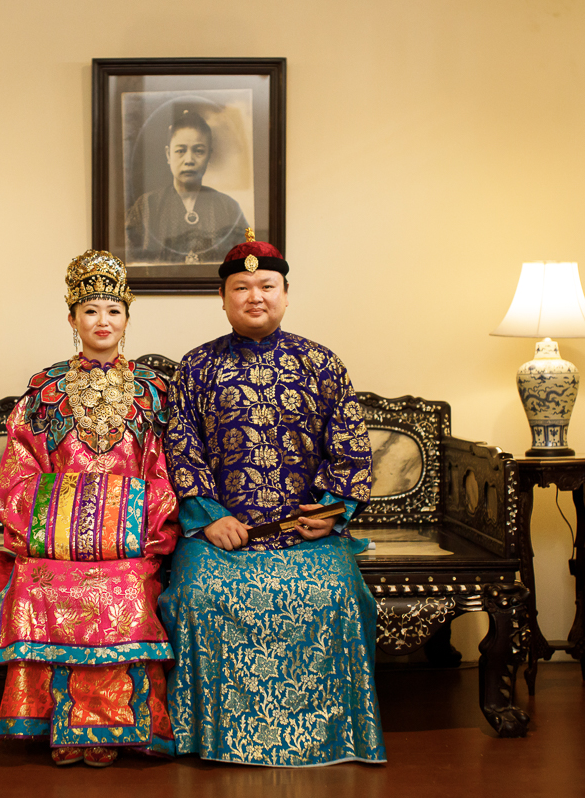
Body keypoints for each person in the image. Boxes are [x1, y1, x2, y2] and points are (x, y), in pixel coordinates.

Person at [159, 230, 386, 767]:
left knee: (338, 597)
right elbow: (179, 450)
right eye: (242, 287)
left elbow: (351, 446)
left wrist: (331, 513)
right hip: (220, 536)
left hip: (305, 535)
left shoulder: (322, 363)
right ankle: (207, 736)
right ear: (222, 298)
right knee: (197, 599)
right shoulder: (195, 368)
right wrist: (207, 518)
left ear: (286, 293)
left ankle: (339, 736)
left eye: (267, 285)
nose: (255, 296)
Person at [0, 250, 179, 768]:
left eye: (113, 311)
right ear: (72, 320)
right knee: (40, 579)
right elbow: (20, 469)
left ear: (127, 319)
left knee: (128, 584)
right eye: (91, 311)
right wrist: (50, 528)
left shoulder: (154, 392)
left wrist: (143, 526)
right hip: (55, 538)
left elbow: (164, 470)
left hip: (129, 539)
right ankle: (58, 725)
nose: (103, 321)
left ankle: (112, 727)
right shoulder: (44, 392)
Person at [125, 110, 248, 265]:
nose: (189, 160)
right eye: (180, 151)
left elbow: (245, 265)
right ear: (168, 154)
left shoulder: (229, 207)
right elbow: (129, 264)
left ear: (209, 155)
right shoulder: (146, 206)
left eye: (199, 151)